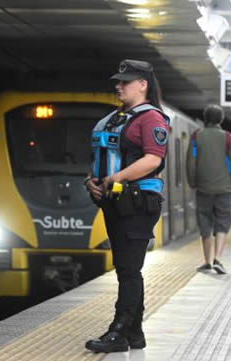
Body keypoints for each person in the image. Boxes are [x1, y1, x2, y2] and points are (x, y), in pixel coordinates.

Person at [84, 59, 170, 353]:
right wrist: (91, 180)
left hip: (138, 202)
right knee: (126, 270)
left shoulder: (151, 119)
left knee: (129, 269)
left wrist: (115, 178)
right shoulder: (113, 119)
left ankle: (119, 332)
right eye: (118, 82)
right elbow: (103, 156)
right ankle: (135, 334)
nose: (119, 86)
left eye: (125, 82)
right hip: (115, 201)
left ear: (143, 84)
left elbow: (153, 159)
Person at [186, 104, 231, 274]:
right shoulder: (228, 138)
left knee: (205, 222)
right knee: (223, 222)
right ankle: (218, 258)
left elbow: (191, 162)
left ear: (205, 118)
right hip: (225, 189)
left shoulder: (196, 136)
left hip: (203, 188)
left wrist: (193, 182)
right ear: (221, 120)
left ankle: (207, 262)